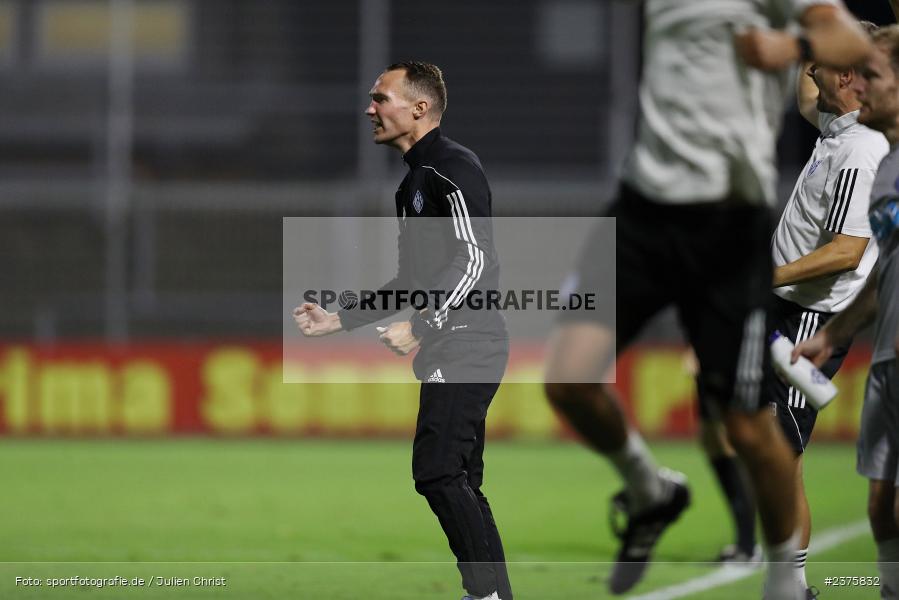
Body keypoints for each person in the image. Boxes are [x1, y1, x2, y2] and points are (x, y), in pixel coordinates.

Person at [542, 1, 872, 598]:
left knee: (750, 430)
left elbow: (849, 39)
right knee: (566, 380)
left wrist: (793, 47)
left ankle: (784, 584)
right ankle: (651, 491)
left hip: (728, 226)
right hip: (642, 206)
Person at [293, 61, 511, 600]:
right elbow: (410, 280)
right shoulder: (413, 183)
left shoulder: (452, 168)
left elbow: (475, 262)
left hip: (469, 339)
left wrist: (422, 323)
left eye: (380, 98)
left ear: (419, 108)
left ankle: (485, 596)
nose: (370, 108)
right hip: (455, 337)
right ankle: (492, 595)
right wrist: (339, 319)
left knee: (438, 472)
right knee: (460, 479)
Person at [701, 21, 887, 591]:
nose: (810, 73)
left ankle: (793, 585)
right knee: (764, 443)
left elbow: (847, 250)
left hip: (809, 316)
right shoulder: (840, 126)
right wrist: (807, 29)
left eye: (823, 64)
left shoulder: (861, 148)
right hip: (785, 308)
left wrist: (768, 275)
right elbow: (807, 92)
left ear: (851, 75)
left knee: (781, 454)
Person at [795, 24, 899, 598]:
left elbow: (848, 252)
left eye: (879, 76)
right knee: (882, 508)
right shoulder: (883, 166)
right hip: (885, 350)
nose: (868, 89)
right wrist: (835, 334)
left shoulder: (867, 153)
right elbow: (882, 277)